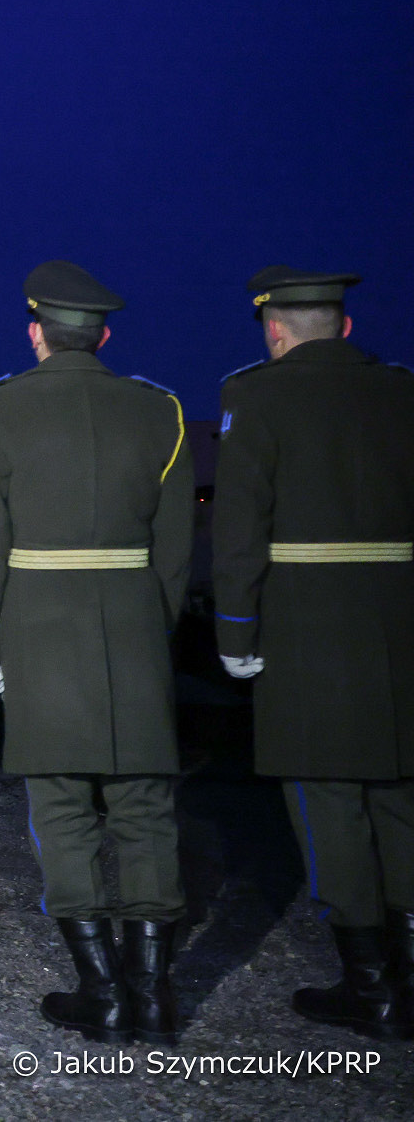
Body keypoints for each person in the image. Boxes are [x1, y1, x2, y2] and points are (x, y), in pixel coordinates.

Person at [0, 260, 194, 1047]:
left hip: (40, 632)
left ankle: (103, 991)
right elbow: (174, 549)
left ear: (36, 333)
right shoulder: (161, 410)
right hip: (134, 631)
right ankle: (154, 995)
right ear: (104, 336)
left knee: (61, 809)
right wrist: (151, 629)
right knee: (146, 811)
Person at [212, 265, 414, 1041]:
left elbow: (240, 530)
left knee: (328, 802)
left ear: (275, 330)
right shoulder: (401, 391)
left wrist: (237, 631)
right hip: (398, 625)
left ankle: (371, 986)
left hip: (305, 629)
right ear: (346, 326)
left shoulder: (256, 395)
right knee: (399, 798)